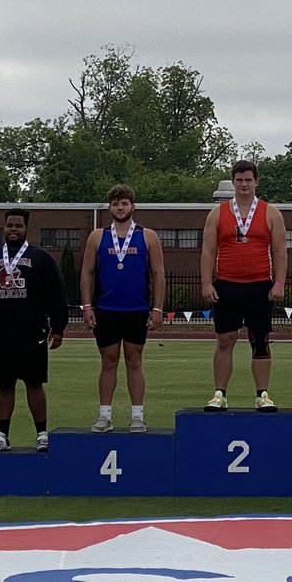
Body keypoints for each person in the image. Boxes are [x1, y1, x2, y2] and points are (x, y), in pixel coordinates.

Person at [0, 208, 68, 452]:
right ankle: (2, 435)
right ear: (4, 228)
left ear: (26, 229)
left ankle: (42, 434)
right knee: (4, 385)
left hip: (32, 333)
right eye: (9, 225)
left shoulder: (41, 258)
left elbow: (56, 295)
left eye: (18, 226)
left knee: (34, 383)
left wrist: (59, 327)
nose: (13, 229)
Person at [200, 160, 288, 412]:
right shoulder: (217, 214)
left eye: (248, 179)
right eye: (239, 180)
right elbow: (208, 250)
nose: (244, 184)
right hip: (227, 284)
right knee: (225, 340)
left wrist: (279, 282)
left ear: (256, 181)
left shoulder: (271, 213)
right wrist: (207, 282)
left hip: (260, 284)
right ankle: (219, 394)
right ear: (233, 183)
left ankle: (262, 394)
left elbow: (280, 251)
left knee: (260, 340)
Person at [80, 183, 166, 433]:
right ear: (109, 207)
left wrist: (158, 308)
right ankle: (104, 415)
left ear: (133, 206)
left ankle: (137, 415)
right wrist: (86, 306)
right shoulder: (97, 236)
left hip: (137, 309)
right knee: (108, 361)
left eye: (124, 203)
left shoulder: (147, 235)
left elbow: (159, 274)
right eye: (116, 203)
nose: (120, 207)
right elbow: (86, 273)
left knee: (134, 360)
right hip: (106, 308)